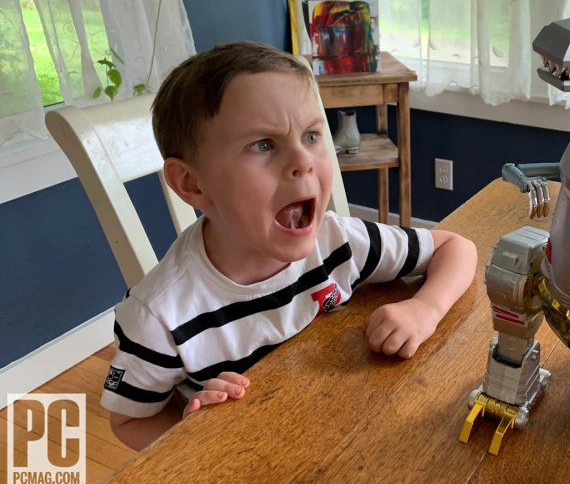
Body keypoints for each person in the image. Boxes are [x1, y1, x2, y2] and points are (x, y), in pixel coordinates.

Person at [100, 41, 477, 451]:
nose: (303, 160)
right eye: (263, 144)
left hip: (346, 436)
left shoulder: (338, 242)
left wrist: (426, 309)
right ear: (193, 184)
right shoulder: (158, 317)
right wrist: (192, 435)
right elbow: (128, 420)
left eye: (312, 135)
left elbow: (455, 248)